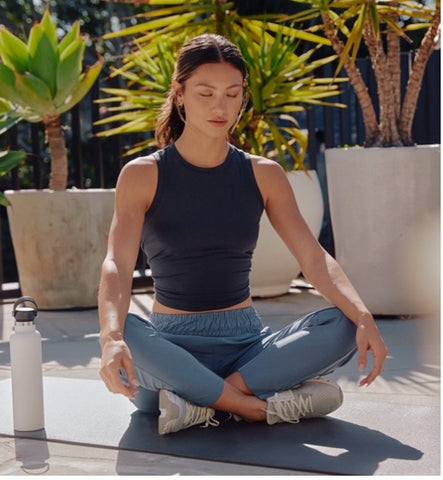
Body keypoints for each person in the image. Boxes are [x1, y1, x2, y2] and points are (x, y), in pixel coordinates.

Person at [98, 34, 388, 435]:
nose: (221, 107)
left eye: (232, 94)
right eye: (206, 93)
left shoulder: (262, 173)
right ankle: (254, 407)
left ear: (243, 97)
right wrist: (111, 337)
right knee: (125, 328)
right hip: (171, 352)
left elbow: (312, 256)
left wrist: (362, 315)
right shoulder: (143, 175)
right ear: (179, 93)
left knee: (343, 323)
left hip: (248, 350)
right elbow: (117, 262)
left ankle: (203, 403)